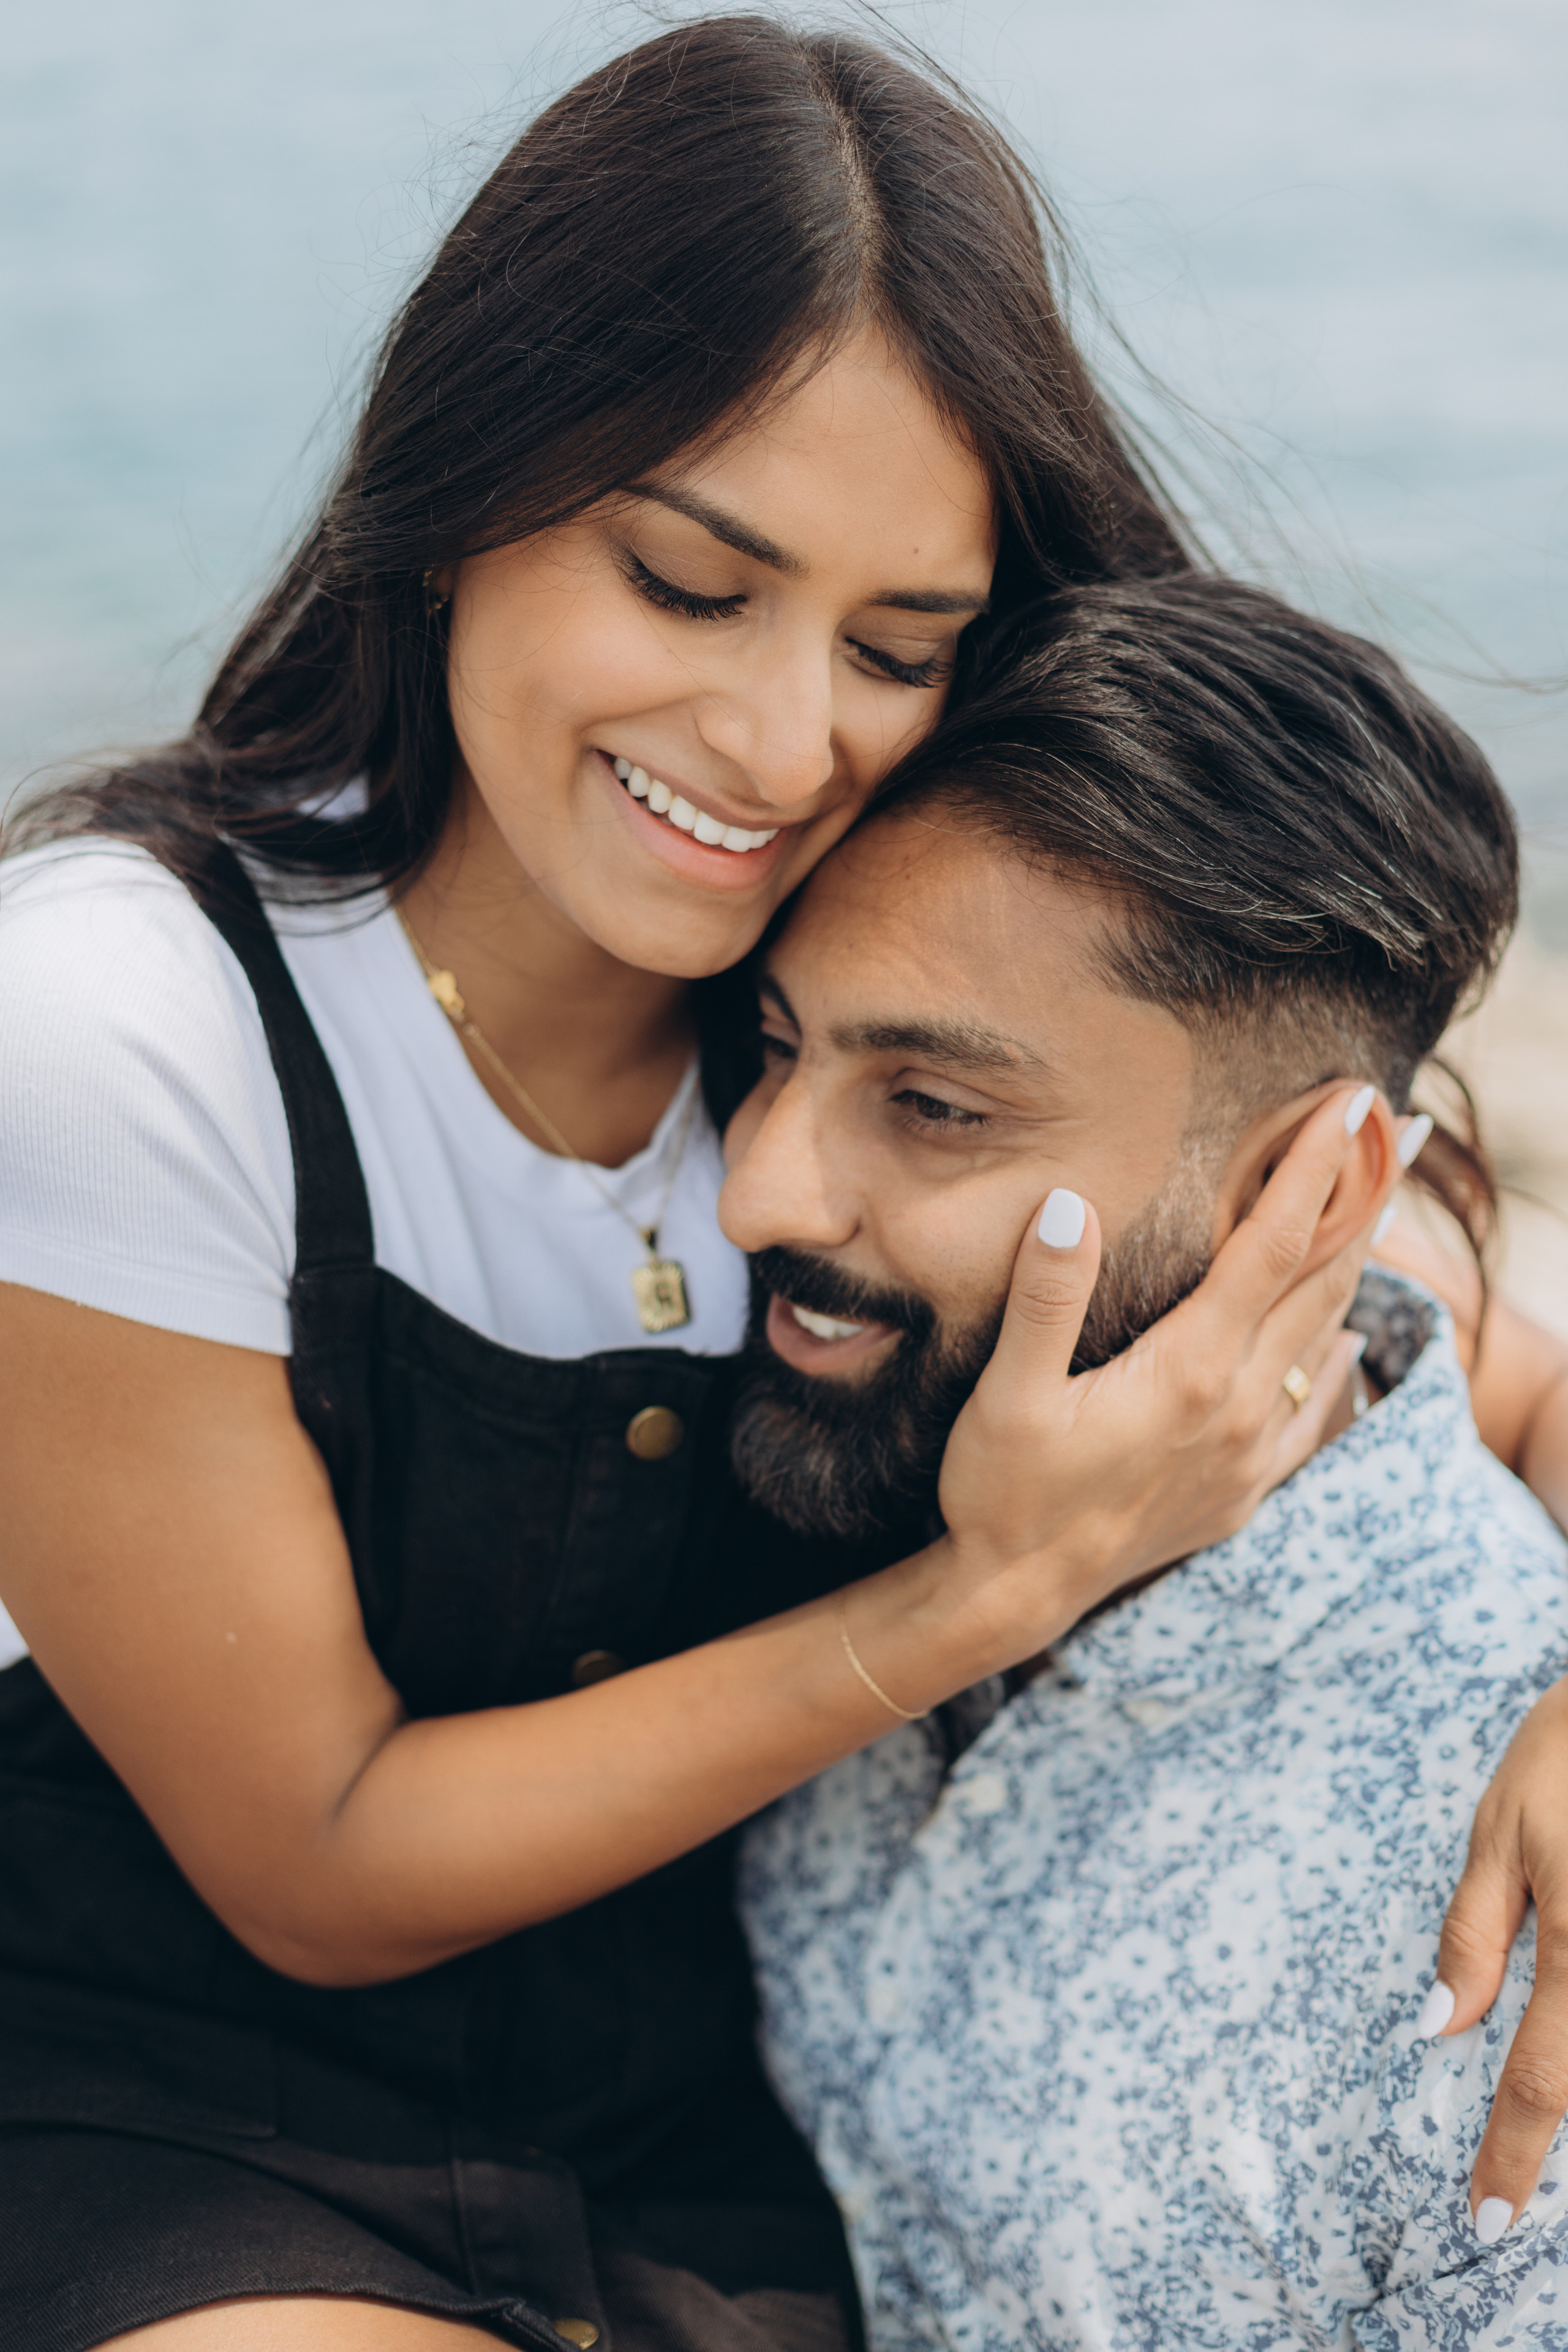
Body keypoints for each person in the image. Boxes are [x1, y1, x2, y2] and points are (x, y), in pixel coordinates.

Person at [0, 23, 1411, 2352]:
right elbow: (318, 1867)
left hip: (739, 2164)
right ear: (457, 500)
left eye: (898, 651)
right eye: (683, 583)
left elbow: (1460, 1299)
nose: (781, 746)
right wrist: (980, 1590)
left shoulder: (926, 1042)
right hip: (167, 2104)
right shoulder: (124, 1029)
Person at [731, 575, 1568, 2346]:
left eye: (936, 1107)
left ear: (1316, 1198)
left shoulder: (1501, 1913)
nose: (756, 1196)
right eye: (775, 1047)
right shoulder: (845, 1464)